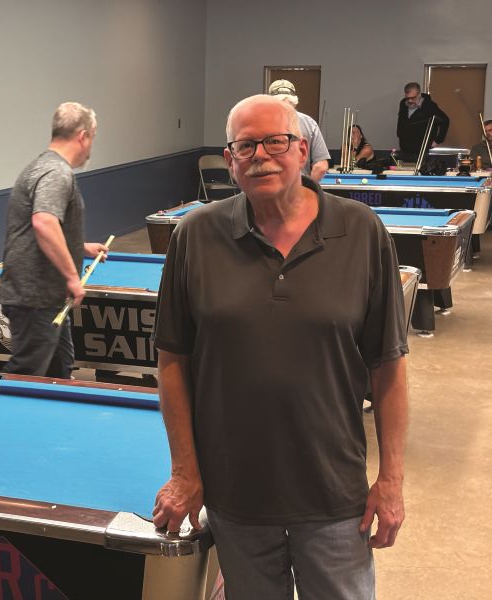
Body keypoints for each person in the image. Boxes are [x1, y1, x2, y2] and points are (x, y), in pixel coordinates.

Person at [152, 94, 409, 599]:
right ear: (229, 160)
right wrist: (186, 473)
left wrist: (392, 479)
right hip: (235, 498)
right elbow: (172, 363)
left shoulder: (361, 232)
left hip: (335, 496)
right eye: (245, 145)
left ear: (302, 150)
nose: (261, 155)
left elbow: (388, 367)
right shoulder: (194, 237)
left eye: (276, 141)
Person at [0, 101, 109, 379]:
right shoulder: (56, 172)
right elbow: (44, 222)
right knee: (27, 376)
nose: (91, 146)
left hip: (46, 297)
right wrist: (73, 277)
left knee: (59, 371)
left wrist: (79, 247)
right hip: (36, 297)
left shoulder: (42, 166)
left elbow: (36, 229)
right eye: (93, 138)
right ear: (83, 136)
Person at [268, 79, 330, 181]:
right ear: (294, 102)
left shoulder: (258, 121)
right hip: (298, 189)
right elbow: (321, 167)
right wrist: (307, 189)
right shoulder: (309, 123)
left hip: (267, 188)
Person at [396, 82, 449, 163]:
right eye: (407, 97)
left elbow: (445, 120)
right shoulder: (403, 103)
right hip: (405, 149)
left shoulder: (429, 105)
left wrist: (438, 140)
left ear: (419, 94)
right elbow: (401, 120)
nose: (409, 100)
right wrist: (399, 134)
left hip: (422, 150)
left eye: (413, 98)